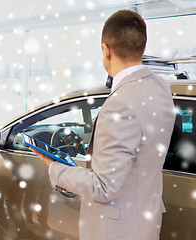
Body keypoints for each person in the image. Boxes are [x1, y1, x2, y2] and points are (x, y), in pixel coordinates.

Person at [31, 10, 175, 240]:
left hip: (116, 230)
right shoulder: (161, 87)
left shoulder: (119, 104)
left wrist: (54, 168)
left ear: (105, 49)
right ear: (143, 47)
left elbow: (103, 187)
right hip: (145, 220)